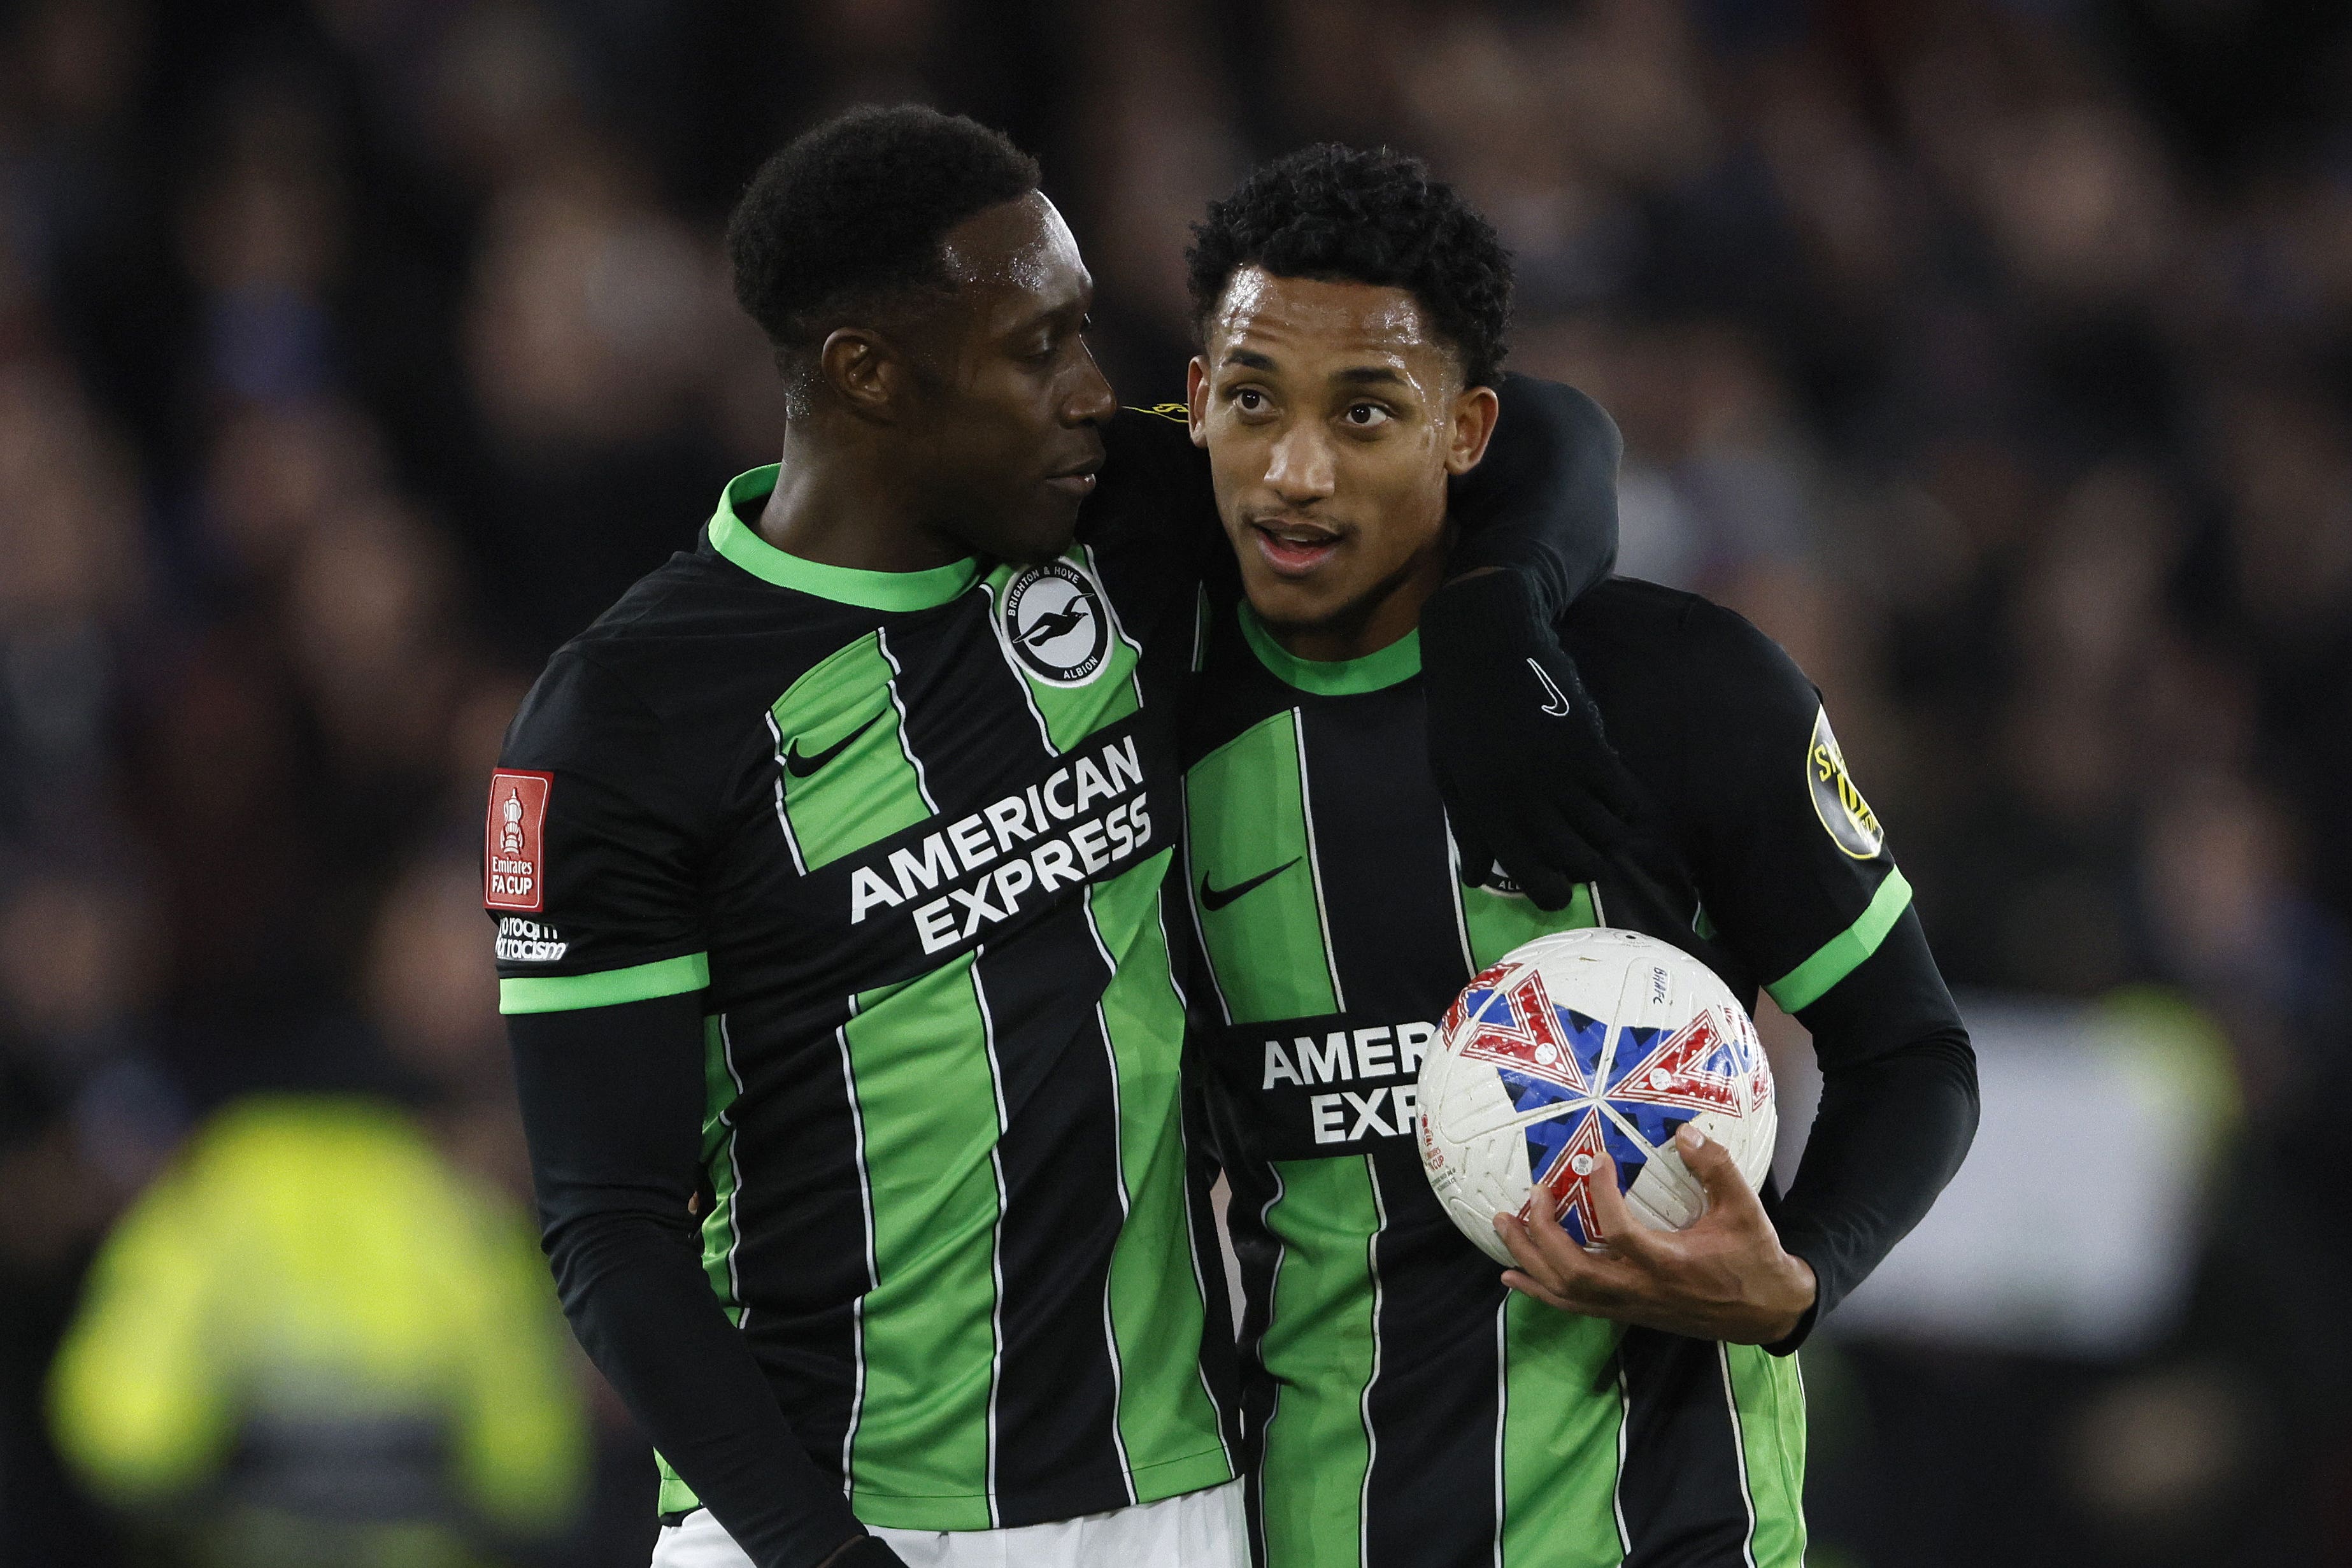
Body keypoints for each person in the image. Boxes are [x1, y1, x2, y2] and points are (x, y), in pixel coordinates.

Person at [490, 108, 1625, 1568]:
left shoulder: (1125, 523)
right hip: (819, 1520)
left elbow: (1543, 433)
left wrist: (1495, 610)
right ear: (866, 376)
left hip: (1165, 1508)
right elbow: (608, 1235)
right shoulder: (625, 717)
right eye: (1038, 348)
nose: (1096, 392)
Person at [1177, 145, 1980, 1567]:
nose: (1295, 471)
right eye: (1252, 402)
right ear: (1195, 404)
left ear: (1466, 428)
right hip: (1310, 1524)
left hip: (1674, 1528)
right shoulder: (1155, 731)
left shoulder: (1676, 686)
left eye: (1367, 412)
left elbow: (1907, 1055)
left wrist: (1796, 1280)